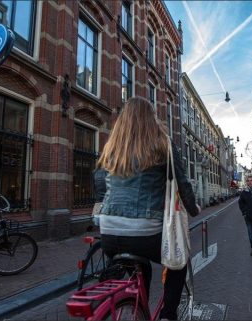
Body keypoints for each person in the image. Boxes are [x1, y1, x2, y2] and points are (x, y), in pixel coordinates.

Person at [95, 97, 200, 321]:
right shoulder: (163, 143)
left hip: (108, 233)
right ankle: (167, 315)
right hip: (145, 232)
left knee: (142, 267)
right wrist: (193, 209)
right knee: (177, 263)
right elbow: (182, 183)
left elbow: (99, 182)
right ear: (151, 118)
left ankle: (138, 309)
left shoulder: (111, 147)